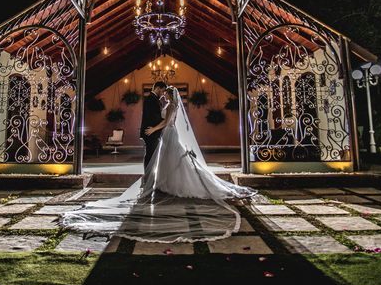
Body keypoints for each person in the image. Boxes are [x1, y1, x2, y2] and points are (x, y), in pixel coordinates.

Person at [60, 85, 257, 243]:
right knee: (168, 161)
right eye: (164, 93)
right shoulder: (170, 104)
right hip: (167, 135)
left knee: (172, 160)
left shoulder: (171, 106)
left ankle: (171, 183)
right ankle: (166, 183)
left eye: (166, 93)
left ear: (170, 95)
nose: (164, 96)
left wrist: (154, 128)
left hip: (168, 134)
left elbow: (167, 122)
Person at [140, 81, 167, 176]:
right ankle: (148, 176)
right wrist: (165, 120)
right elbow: (154, 117)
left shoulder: (154, 99)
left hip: (153, 130)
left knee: (152, 155)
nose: (163, 94)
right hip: (150, 131)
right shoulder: (151, 99)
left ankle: (149, 176)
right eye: (163, 91)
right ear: (158, 88)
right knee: (150, 155)